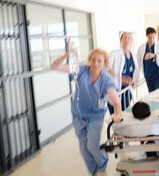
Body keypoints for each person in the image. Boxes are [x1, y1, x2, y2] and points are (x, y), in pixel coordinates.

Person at [51, 44, 122, 176]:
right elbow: (54, 66)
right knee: (83, 148)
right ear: (90, 60)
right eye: (93, 60)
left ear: (104, 63)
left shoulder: (106, 79)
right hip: (78, 116)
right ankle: (93, 170)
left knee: (92, 146)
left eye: (99, 61)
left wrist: (118, 114)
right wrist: (67, 55)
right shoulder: (80, 70)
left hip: (95, 118)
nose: (95, 63)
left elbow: (115, 99)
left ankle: (102, 164)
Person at [108, 32, 139, 113]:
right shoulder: (114, 53)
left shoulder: (133, 54)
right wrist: (119, 77)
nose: (127, 40)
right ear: (121, 40)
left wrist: (136, 80)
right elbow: (106, 67)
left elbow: (136, 70)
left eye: (129, 38)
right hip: (115, 89)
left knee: (125, 113)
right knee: (115, 115)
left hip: (128, 90)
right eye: (124, 37)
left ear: (132, 40)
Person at [137, 27, 159, 92]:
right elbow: (138, 63)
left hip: (158, 76)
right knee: (151, 95)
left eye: (153, 37)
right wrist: (136, 76)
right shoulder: (141, 48)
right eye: (150, 37)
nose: (152, 39)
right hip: (148, 76)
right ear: (146, 36)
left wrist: (154, 55)